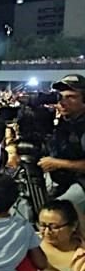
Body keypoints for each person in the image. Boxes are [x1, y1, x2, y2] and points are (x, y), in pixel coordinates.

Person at [40, 74, 85, 212]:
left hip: (81, 182)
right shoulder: (64, 123)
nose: (63, 102)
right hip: (62, 180)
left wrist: (57, 163)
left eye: (71, 97)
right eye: (60, 97)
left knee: (57, 211)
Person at [31, 199, 85, 271]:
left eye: (54, 227)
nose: (46, 232)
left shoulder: (81, 257)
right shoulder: (30, 243)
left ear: (73, 226)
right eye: (42, 225)